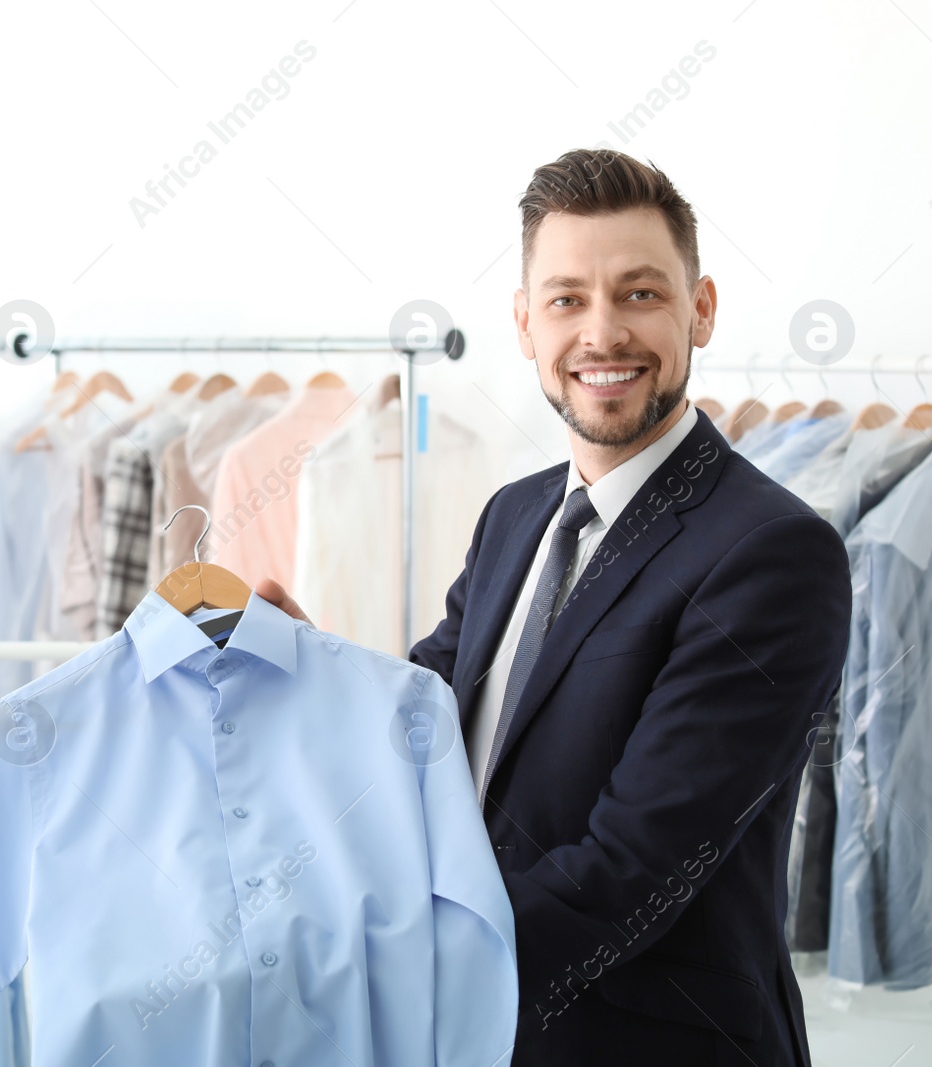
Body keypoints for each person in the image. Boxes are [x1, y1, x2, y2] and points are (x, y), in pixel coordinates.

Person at [259, 148, 851, 1065]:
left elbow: (630, 872)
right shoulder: (517, 512)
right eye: (568, 298)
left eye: (641, 294)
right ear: (526, 323)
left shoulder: (772, 553)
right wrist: (302, 665)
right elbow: (424, 721)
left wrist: (369, 965)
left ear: (700, 309)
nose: (603, 333)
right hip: (488, 1034)